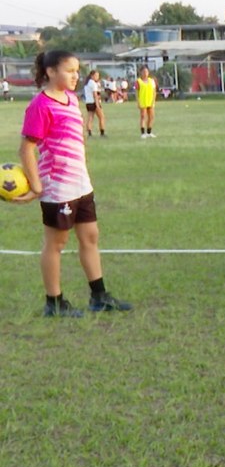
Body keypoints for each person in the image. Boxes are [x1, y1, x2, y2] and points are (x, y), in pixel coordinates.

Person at [14, 50, 131, 318]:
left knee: (90, 237)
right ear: (51, 72)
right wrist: (37, 186)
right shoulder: (40, 106)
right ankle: (54, 303)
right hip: (57, 187)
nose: (75, 76)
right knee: (56, 243)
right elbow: (26, 149)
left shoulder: (70, 98)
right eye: (69, 70)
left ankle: (99, 296)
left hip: (81, 184)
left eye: (77, 71)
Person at [82, 70, 106, 137]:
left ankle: (89, 133)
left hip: (88, 102)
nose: (97, 77)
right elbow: (95, 94)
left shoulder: (87, 83)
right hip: (94, 102)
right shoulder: (93, 83)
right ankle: (102, 132)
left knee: (90, 118)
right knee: (102, 117)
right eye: (96, 75)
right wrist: (97, 105)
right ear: (92, 76)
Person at [136, 66, 157, 137]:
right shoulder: (138, 81)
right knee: (143, 116)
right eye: (144, 72)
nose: (145, 73)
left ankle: (149, 132)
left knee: (151, 116)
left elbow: (154, 91)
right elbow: (137, 92)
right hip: (143, 101)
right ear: (141, 72)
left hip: (150, 100)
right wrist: (138, 102)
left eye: (146, 72)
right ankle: (142, 133)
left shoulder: (151, 81)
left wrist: (153, 100)